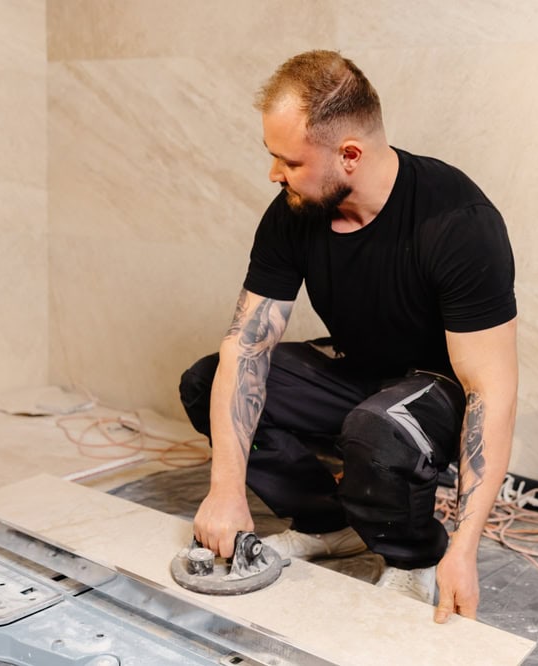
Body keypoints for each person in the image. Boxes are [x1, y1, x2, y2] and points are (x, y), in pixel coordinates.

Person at [179, 49, 517, 624]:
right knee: (209, 380)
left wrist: (464, 548)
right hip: (361, 369)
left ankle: (414, 557)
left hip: (438, 388)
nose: (274, 174)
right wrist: (226, 488)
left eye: (288, 160)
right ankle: (329, 524)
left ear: (350, 156)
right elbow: (248, 343)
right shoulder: (295, 210)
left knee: (377, 430)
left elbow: (492, 389)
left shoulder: (457, 220)